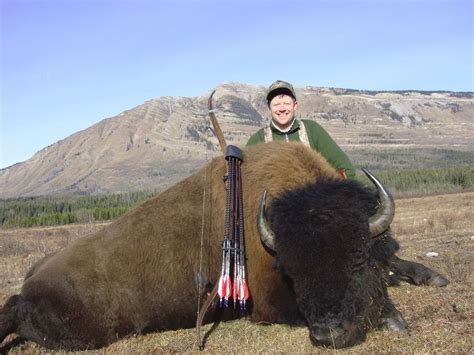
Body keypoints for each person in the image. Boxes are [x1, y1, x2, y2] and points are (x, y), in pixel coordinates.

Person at [247, 80, 355, 180]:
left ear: (295, 106)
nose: (282, 108)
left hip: (313, 197)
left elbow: (345, 169)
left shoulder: (312, 130)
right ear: (269, 108)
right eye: (276, 104)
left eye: (287, 104)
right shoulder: (258, 139)